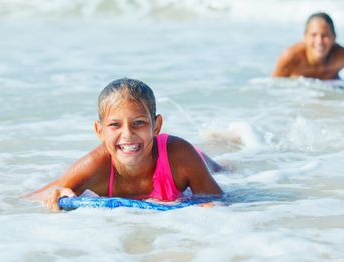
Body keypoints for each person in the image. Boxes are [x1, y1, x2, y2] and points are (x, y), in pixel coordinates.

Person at [26, 78, 223, 211]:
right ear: (99, 131)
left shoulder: (181, 155)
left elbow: (219, 202)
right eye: (114, 125)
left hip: (201, 162)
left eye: (139, 123)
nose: (127, 134)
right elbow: (30, 198)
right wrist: (54, 194)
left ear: (156, 125)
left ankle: (222, 139)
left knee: (225, 169)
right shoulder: (96, 165)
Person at [273, 12, 344, 80]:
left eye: (325, 35)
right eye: (314, 35)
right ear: (305, 37)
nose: (319, 41)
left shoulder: (342, 55)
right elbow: (273, 86)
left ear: (334, 38)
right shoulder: (290, 57)